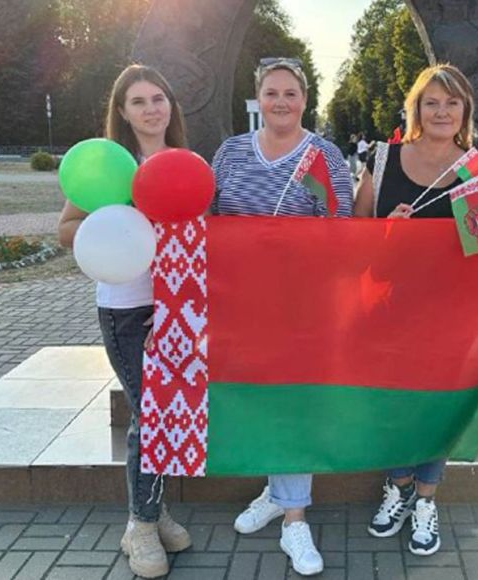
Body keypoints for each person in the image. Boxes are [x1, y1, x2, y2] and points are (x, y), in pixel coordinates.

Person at [211, 57, 353, 576]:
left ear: (305, 99)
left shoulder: (324, 157)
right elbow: (208, 218)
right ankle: (276, 493)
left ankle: (295, 519)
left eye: (291, 93)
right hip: (241, 305)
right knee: (261, 400)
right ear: (258, 98)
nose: (281, 102)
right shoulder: (230, 153)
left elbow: (338, 231)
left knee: (294, 402)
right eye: (272, 92)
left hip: (299, 307)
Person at [57, 64, 192, 579]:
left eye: (159, 98)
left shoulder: (187, 162)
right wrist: (116, 219)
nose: (151, 109)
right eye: (139, 101)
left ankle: (152, 512)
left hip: (179, 307)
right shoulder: (109, 165)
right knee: (149, 414)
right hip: (126, 308)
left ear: (171, 105)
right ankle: (141, 524)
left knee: (166, 413)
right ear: (122, 111)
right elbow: (66, 230)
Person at [354, 63, 477, 555]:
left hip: (451, 313)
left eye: (452, 102)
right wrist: (389, 230)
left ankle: (426, 499)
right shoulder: (384, 159)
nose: (442, 111)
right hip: (389, 309)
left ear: (464, 110)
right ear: (416, 109)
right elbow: (355, 230)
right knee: (392, 405)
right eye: (432, 102)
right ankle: (399, 486)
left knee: (436, 408)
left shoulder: (473, 167)